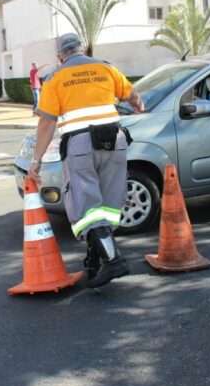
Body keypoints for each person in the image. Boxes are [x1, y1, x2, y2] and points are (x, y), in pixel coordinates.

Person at [29, 33, 144, 288]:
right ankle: (96, 260)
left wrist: (36, 160)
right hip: (114, 141)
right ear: (83, 49)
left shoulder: (56, 78)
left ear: (60, 55)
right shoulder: (106, 67)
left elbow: (47, 121)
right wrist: (138, 106)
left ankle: (113, 259)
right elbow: (133, 95)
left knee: (85, 205)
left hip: (81, 146)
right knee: (107, 203)